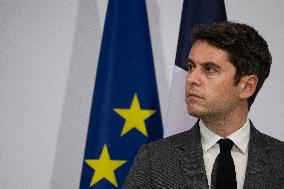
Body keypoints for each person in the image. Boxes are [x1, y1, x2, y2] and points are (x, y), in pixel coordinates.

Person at [123, 21, 284, 189]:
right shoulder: (153, 161)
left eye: (209, 69)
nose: (191, 79)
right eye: (191, 67)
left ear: (247, 87)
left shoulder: (280, 161)